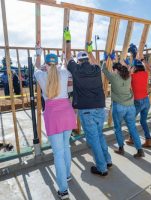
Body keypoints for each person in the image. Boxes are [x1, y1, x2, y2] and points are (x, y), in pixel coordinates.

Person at [64, 28, 112, 178]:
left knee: (93, 139)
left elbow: (67, 56)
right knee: (100, 135)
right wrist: (90, 50)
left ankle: (102, 167)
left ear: (79, 60)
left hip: (86, 110)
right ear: (88, 59)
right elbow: (95, 62)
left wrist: (68, 40)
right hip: (99, 108)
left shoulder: (75, 69)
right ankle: (108, 160)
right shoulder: (97, 69)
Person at [34, 53, 77, 200]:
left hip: (53, 116)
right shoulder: (64, 72)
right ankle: (67, 175)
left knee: (58, 153)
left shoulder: (40, 75)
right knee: (66, 147)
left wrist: (38, 53)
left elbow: (36, 66)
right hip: (67, 112)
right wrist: (64, 58)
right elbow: (64, 66)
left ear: (46, 65)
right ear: (57, 63)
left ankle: (63, 190)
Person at [102, 52, 145, 158]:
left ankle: (121, 148)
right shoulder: (128, 76)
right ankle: (140, 150)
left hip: (119, 106)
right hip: (131, 106)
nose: (112, 71)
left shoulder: (113, 77)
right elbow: (127, 67)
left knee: (117, 128)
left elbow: (103, 69)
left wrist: (106, 59)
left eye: (113, 70)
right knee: (132, 128)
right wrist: (115, 59)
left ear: (115, 70)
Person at [124, 58, 151, 148]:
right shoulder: (145, 74)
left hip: (138, 101)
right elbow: (148, 68)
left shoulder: (132, 76)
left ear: (134, 68)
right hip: (146, 100)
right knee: (143, 121)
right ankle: (148, 140)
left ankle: (132, 139)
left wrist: (129, 68)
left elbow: (125, 77)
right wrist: (143, 62)